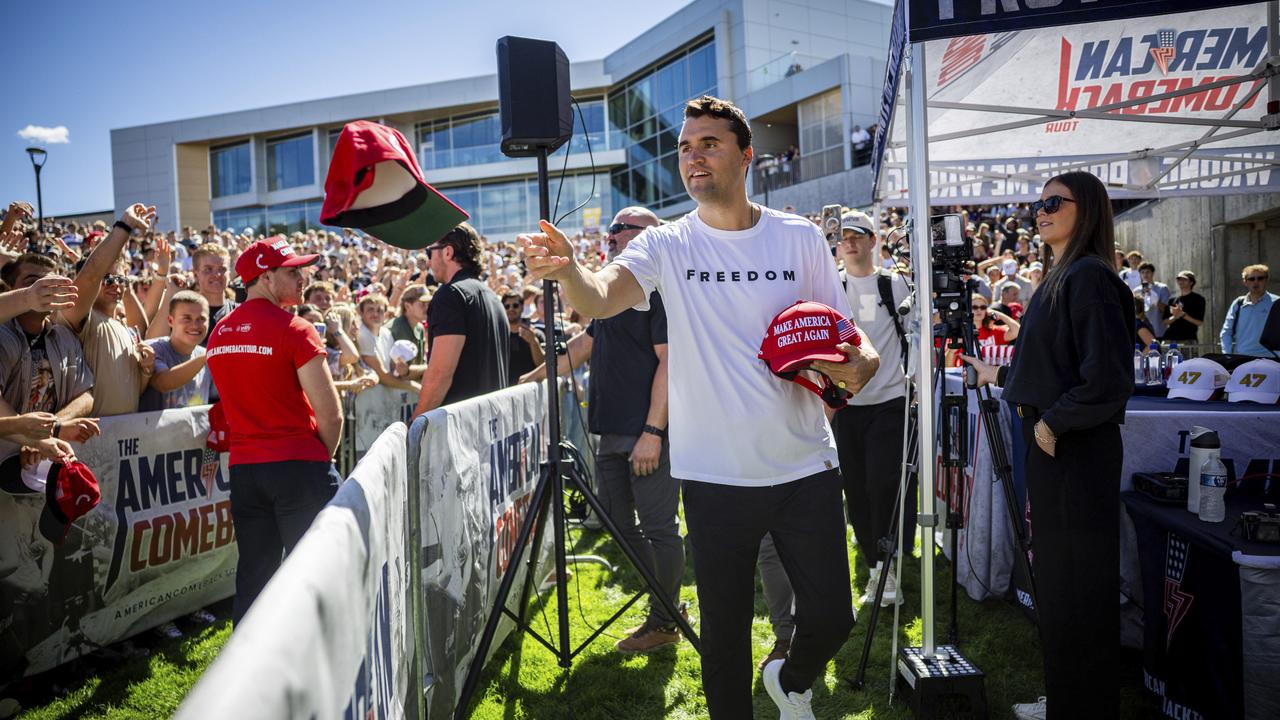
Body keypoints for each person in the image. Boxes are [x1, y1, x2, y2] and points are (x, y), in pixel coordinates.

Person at [520, 95, 879, 719]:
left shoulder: (797, 238)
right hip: (714, 474)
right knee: (724, 637)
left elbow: (848, 333)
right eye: (685, 147)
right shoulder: (666, 244)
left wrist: (865, 363)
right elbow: (601, 298)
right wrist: (571, 273)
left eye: (708, 144)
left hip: (804, 465)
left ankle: (790, 682)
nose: (693, 156)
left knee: (832, 616)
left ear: (746, 155)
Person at [963, 171, 1134, 720]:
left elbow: (1105, 380)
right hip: (1055, 448)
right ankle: (1069, 697)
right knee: (1061, 584)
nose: (1041, 211)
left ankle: (1083, 704)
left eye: (1054, 202)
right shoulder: (1064, 275)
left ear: (1087, 209)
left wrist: (1052, 425)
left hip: (1073, 452)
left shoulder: (1089, 276)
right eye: (1038, 203)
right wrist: (999, 376)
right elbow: (1052, 367)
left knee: (1079, 587)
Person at [522, 206, 685, 653]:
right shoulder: (614, 290)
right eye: (610, 229)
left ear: (651, 235)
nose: (610, 236)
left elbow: (670, 363)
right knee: (616, 523)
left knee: (659, 528)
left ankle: (666, 620)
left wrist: (653, 430)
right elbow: (584, 344)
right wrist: (532, 379)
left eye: (620, 228)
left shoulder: (660, 290)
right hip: (610, 431)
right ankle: (668, 607)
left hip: (647, 432)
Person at [205, 237, 343, 625]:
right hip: (299, 466)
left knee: (255, 576)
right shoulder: (296, 328)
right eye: (292, 271)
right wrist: (320, 461)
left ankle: (245, 675)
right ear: (265, 277)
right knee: (318, 574)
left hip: (246, 471)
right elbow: (331, 415)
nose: (303, 278)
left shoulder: (219, 333)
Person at [56, 204, 161, 416]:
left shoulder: (126, 329)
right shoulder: (82, 318)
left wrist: (147, 370)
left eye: (121, 279)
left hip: (126, 438)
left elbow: (132, 393)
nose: (116, 285)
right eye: (108, 279)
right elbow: (91, 275)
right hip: (89, 439)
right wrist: (124, 226)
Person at [413, 223, 509, 416]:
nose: (429, 263)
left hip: (462, 429)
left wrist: (415, 424)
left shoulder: (450, 295)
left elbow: (441, 373)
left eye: (429, 252)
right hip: (492, 426)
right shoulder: (493, 298)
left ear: (447, 252)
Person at [139, 292, 212, 411]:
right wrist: (208, 356)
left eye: (201, 319)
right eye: (187, 318)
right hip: (154, 429)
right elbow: (163, 383)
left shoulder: (207, 355)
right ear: (170, 320)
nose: (195, 325)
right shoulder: (153, 349)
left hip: (195, 430)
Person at [1220, 264, 1277, 357]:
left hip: (1271, 360)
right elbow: (1226, 332)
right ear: (1245, 282)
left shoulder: (1277, 303)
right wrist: (1228, 356)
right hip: (1242, 360)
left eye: (1260, 278)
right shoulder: (1238, 303)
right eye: (1251, 279)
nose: (1256, 282)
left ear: (1266, 280)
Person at [503, 290, 544, 386]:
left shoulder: (536, 334)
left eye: (515, 305)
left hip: (530, 390)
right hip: (504, 391)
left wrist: (533, 342)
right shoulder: (498, 336)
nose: (511, 309)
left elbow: (542, 365)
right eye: (507, 306)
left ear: (522, 307)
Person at [1162, 270, 1205, 343]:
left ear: (1191, 282)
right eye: (1179, 279)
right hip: (1170, 339)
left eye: (1184, 279)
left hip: (1188, 339)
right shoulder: (1172, 300)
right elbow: (1165, 321)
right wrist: (1175, 316)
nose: (1181, 282)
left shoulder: (1198, 299)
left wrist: (1183, 315)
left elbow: (1199, 322)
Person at [1133, 262, 1170, 338]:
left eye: (1148, 272)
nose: (1145, 275)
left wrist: (1154, 298)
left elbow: (1166, 311)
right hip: (1142, 332)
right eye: (1142, 272)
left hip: (1159, 331)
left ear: (1153, 273)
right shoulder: (1136, 291)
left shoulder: (1162, 288)